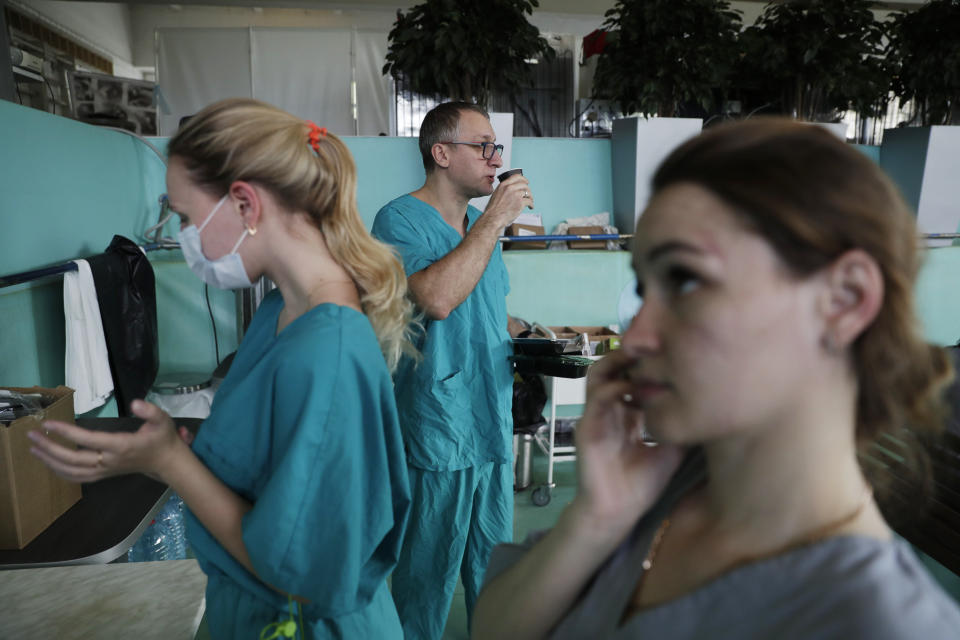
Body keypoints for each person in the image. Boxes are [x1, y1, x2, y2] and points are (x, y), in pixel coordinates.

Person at [472, 119, 960, 639]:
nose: (635, 339)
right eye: (644, 286)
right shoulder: (663, 487)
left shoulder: (884, 622)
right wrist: (596, 517)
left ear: (844, 300)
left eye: (686, 278)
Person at [28, 98, 415, 639]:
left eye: (185, 217)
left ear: (244, 205)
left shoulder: (327, 353)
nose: (183, 235)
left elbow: (303, 577)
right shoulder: (282, 311)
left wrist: (169, 461)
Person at [371, 101, 531, 639]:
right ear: (441, 153)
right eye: (482, 145)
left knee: (496, 573)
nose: (495, 159)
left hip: (489, 418)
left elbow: (482, 304)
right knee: (426, 579)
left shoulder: (475, 226)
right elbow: (436, 298)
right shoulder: (398, 220)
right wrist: (493, 222)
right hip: (439, 425)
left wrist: (530, 333)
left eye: (497, 148)